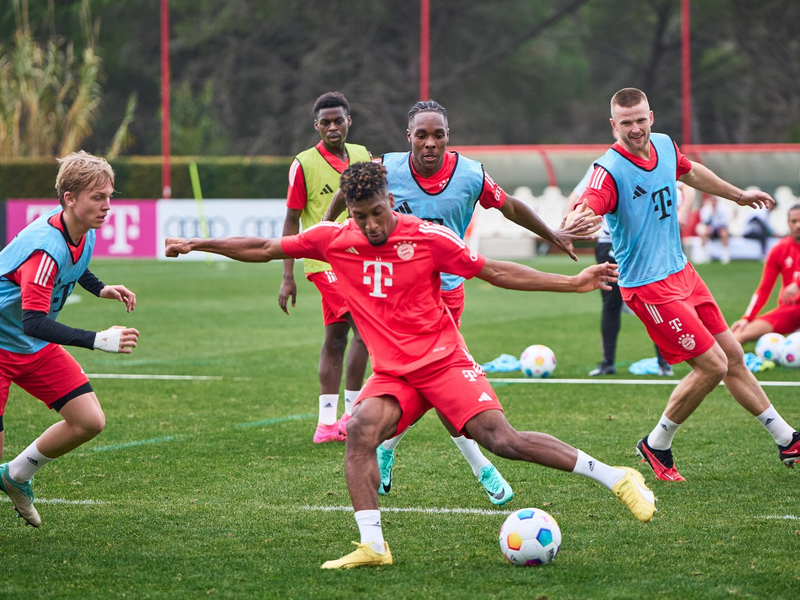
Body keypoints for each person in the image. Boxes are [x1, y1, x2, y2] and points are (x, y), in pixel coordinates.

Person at [166, 161, 657, 569]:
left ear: (390, 200)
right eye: (360, 216)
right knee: (359, 430)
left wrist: (570, 283)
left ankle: (615, 476)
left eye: (377, 212)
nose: (371, 225)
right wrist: (196, 245)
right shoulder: (334, 238)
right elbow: (266, 248)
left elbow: (496, 271)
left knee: (502, 440)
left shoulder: (430, 237)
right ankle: (373, 545)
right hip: (394, 374)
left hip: (444, 363)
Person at [324, 100, 599, 506]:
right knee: (443, 389)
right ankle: (479, 467)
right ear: (409, 137)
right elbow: (351, 189)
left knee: (442, 388)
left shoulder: (471, 174)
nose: (430, 143)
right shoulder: (388, 168)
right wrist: (332, 232)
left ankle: (395, 451)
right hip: (400, 294)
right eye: (422, 135)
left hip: (447, 293)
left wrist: (551, 234)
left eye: (438, 135)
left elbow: (510, 207)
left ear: (448, 137)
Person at [566, 88, 800, 482]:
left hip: (683, 273)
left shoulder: (664, 145)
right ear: (613, 125)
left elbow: (690, 171)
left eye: (640, 120)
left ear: (651, 117)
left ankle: (787, 439)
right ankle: (656, 443)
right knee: (713, 366)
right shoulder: (609, 170)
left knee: (733, 358)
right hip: (648, 287)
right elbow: (589, 201)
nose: (635, 129)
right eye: (626, 123)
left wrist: (738, 195)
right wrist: (577, 219)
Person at [0, 151, 139, 527]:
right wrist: (97, 339)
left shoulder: (82, 229)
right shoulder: (45, 247)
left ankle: (15, 475)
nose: (107, 206)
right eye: (98, 197)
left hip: (29, 347)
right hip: (5, 346)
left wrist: (101, 288)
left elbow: (75, 265)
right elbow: (33, 321)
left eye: (110, 196)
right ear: (70, 198)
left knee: (88, 420)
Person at [278, 92, 370, 443]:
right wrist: (287, 275)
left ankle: (327, 425)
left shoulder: (363, 155)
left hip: (359, 259)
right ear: (316, 126)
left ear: (349, 121)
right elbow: (290, 220)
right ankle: (351, 415)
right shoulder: (303, 163)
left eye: (339, 120)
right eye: (326, 122)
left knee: (336, 338)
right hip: (324, 262)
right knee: (363, 327)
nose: (333, 127)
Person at [568, 138, 686, 377]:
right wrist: (568, 230)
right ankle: (607, 362)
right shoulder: (606, 165)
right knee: (610, 303)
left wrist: (680, 215)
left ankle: (664, 362)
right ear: (616, 127)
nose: (633, 131)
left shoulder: (656, 159)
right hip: (609, 243)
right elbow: (578, 198)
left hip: (645, 244)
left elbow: (687, 187)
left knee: (656, 300)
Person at [730, 204, 800, 345]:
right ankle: (718, 365)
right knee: (738, 333)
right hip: (791, 310)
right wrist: (747, 318)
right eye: (794, 221)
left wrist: (797, 284)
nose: (798, 225)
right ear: (788, 223)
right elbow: (764, 289)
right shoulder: (779, 250)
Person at [696, 195, 732, 264]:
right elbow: (705, 222)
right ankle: (703, 255)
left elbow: (724, 224)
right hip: (710, 229)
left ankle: (725, 255)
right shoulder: (705, 209)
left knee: (724, 233)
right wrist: (711, 214)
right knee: (704, 232)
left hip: (720, 229)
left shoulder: (723, 209)